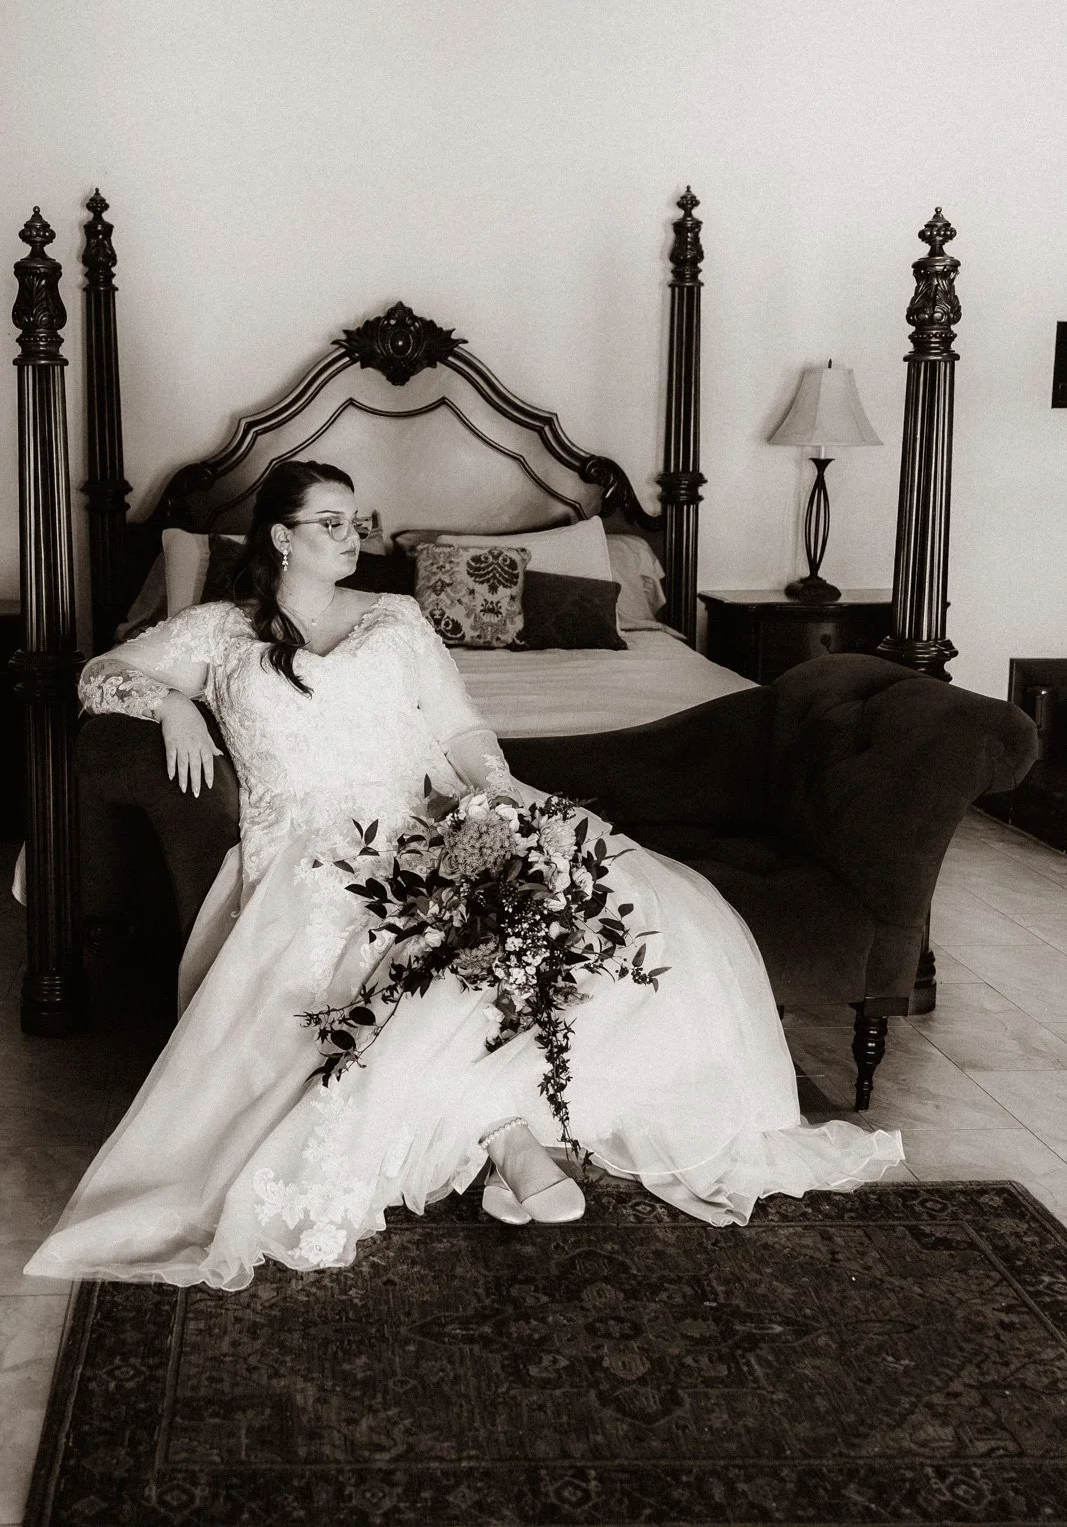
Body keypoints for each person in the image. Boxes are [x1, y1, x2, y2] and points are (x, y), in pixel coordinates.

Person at [26, 460, 903, 1290]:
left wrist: (500, 794)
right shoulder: (220, 632)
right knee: (379, 949)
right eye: (328, 522)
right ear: (281, 539)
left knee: (582, 905)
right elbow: (100, 673)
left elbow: (456, 728)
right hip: (305, 850)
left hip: (419, 820)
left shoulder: (397, 618)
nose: (351, 535)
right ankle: (511, 1140)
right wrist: (174, 700)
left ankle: (520, 1138)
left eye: (354, 520)